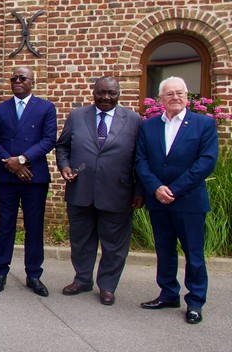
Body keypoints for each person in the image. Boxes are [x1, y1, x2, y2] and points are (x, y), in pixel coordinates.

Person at [135, 76, 218, 324]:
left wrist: (174, 189)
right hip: (158, 200)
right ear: (160, 99)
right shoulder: (149, 126)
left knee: (193, 254)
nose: (175, 98)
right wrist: (156, 188)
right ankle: (168, 293)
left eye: (180, 93)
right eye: (169, 94)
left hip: (189, 201)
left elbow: (206, 162)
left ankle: (195, 301)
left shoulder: (203, 124)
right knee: (164, 251)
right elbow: (141, 160)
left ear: (187, 96)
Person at [55, 76, 143, 306]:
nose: (105, 97)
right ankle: (82, 279)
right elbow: (63, 146)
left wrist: (140, 189)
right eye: (101, 92)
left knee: (114, 244)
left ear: (119, 94)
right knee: (81, 240)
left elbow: (141, 158)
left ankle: (107, 286)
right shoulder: (77, 116)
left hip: (118, 192)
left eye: (111, 93)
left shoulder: (134, 120)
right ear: (93, 92)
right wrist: (64, 166)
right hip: (80, 189)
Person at [0, 67, 56, 296]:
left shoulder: (46, 108)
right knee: (5, 226)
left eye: (22, 78)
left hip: (34, 176)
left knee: (33, 227)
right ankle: (1, 271)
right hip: (7, 177)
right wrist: (11, 163)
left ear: (32, 82)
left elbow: (49, 140)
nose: (17, 81)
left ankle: (34, 274)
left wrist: (23, 159)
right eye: (14, 78)